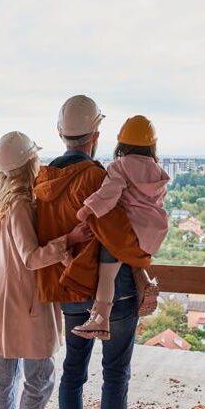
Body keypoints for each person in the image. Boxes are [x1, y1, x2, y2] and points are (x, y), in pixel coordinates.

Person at [34, 95, 152, 409]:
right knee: (115, 376)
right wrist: (145, 257)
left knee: (73, 373)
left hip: (69, 289)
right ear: (96, 136)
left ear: (60, 134)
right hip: (111, 294)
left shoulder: (43, 180)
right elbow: (119, 236)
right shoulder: (96, 176)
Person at [0, 131, 93, 409]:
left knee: (3, 375)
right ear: (29, 163)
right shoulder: (22, 204)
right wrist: (69, 238)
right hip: (22, 302)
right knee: (41, 375)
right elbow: (31, 257)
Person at [71, 115, 169, 340]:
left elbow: (108, 194)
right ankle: (145, 282)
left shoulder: (120, 166)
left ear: (121, 143)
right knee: (131, 258)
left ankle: (100, 319)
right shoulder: (158, 172)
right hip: (151, 236)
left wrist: (86, 210)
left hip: (127, 233)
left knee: (107, 271)